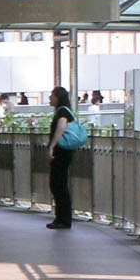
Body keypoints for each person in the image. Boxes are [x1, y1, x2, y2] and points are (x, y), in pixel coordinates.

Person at [46, 85, 78, 230]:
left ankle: (63, 219)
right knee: (58, 184)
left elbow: (60, 128)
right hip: (64, 152)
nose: (50, 98)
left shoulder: (63, 112)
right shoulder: (64, 110)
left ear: (58, 97)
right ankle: (61, 218)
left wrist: (52, 145)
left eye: (52, 96)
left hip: (62, 152)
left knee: (59, 184)